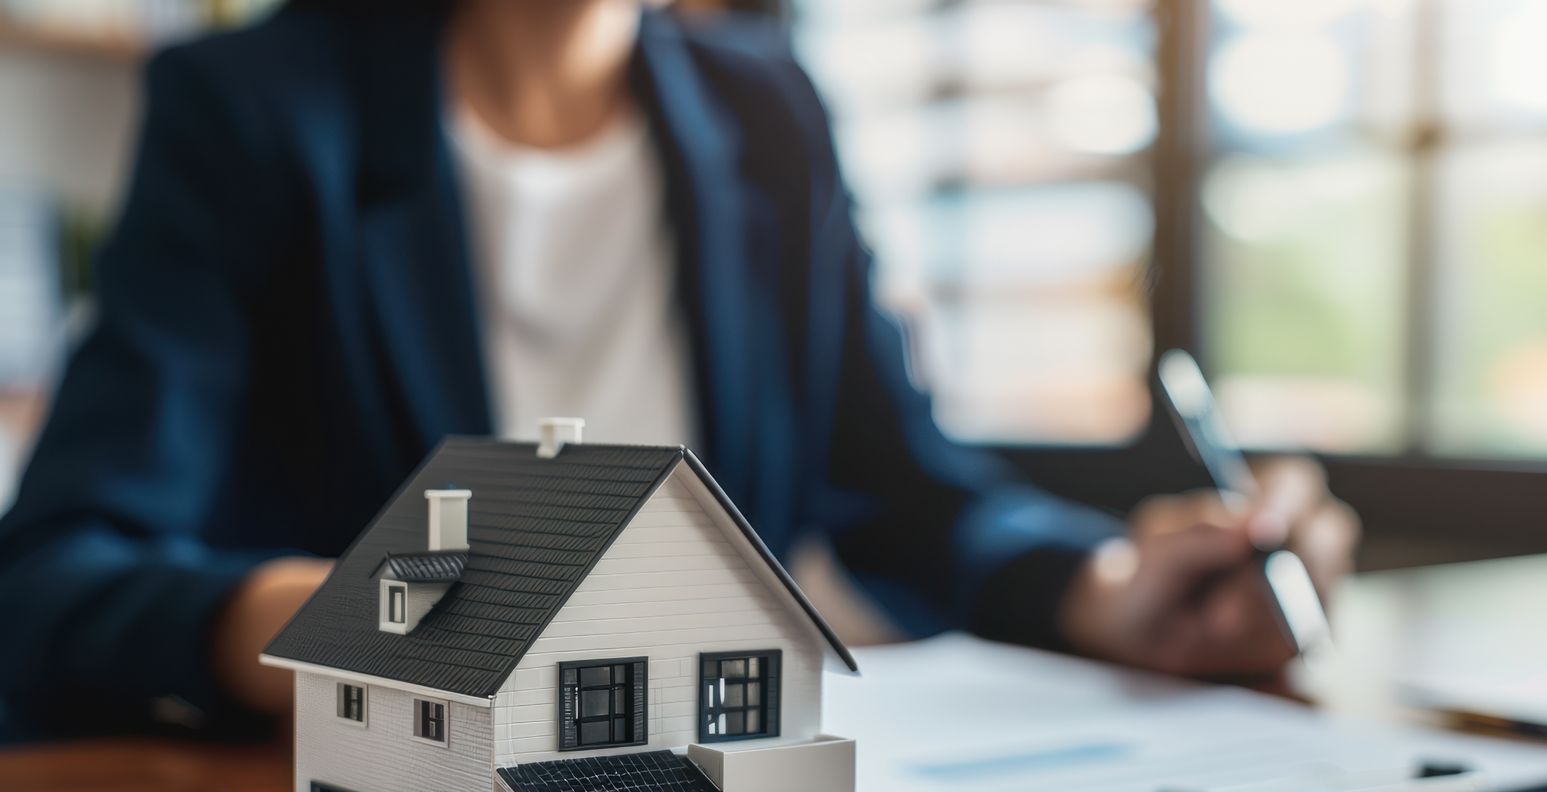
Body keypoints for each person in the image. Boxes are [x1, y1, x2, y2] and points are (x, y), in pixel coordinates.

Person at [0, 0, 1356, 737]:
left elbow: (909, 488)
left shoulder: (765, 108)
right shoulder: (252, 111)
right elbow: (56, 572)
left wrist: (1113, 590)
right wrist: (367, 627)